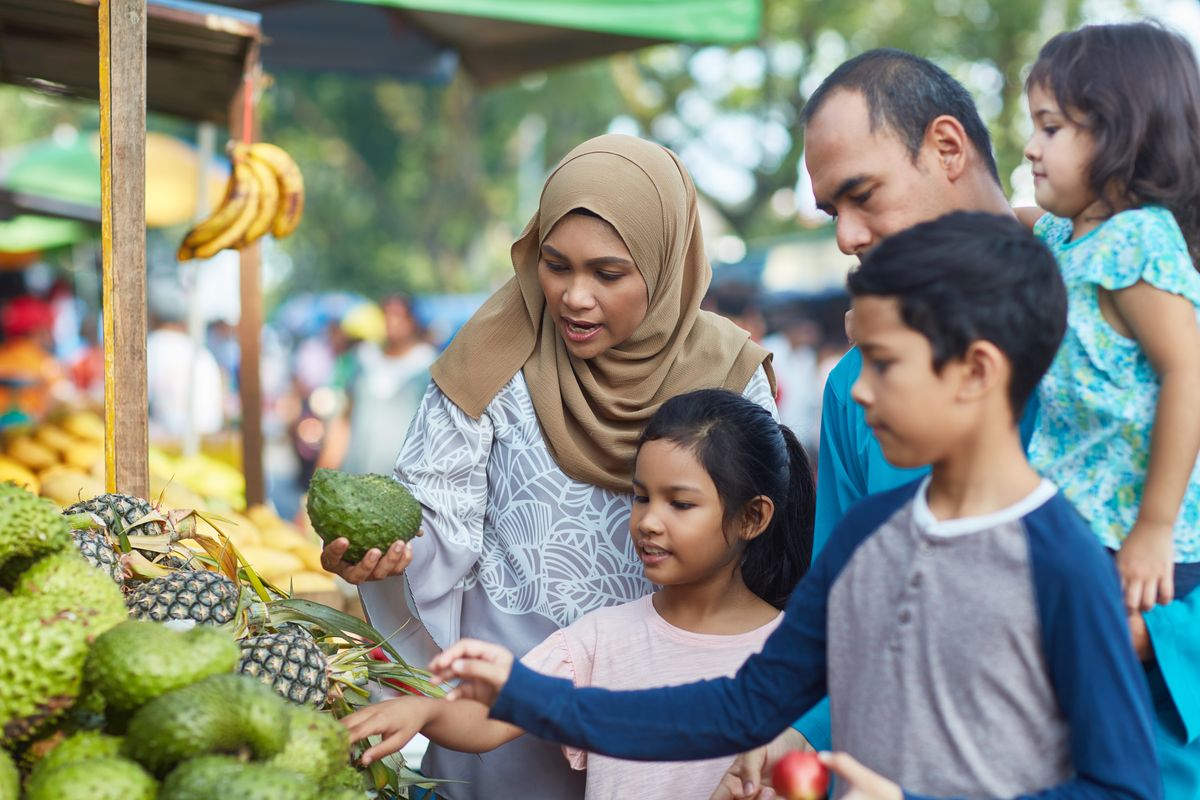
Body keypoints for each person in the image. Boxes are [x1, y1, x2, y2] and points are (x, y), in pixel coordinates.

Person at [427, 213, 1161, 800]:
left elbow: (1121, 785)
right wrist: (531, 696)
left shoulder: (1063, 562)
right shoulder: (870, 536)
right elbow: (739, 708)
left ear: (976, 371)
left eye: (883, 363)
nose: (858, 391)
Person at [318, 134, 777, 800]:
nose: (574, 297)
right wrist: (388, 556)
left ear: (666, 260)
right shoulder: (492, 352)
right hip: (500, 709)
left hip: (681, 720)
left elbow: (765, 549)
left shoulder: (731, 375)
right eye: (556, 265)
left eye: (608, 273)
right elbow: (435, 519)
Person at [343, 389, 813, 800]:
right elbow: (490, 718)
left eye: (681, 503)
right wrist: (422, 710)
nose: (649, 521)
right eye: (642, 496)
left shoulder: (797, 654)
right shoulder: (601, 638)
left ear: (752, 517)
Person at [1019, 23, 1200, 797]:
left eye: (1052, 127)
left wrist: (1155, 528)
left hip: (1138, 546)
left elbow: (1189, 374)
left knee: (1131, 731)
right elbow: (1004, 222)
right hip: (1074, 531)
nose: (1030, 146)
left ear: (1125, 134)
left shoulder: (1139, 244)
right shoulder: (1066, 235)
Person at [319, 295, 436, 475]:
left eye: (399, 316)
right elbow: (343, 422)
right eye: (387, 315)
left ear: (412, 321)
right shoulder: (365, 359)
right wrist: (323, 472)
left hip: (405, 485)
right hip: (356, 479)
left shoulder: (428, 365)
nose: (392, 322)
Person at [145, 278, 223, 441]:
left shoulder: (149, 349)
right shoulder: (201, 353)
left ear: (153, 317)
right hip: (208, 440)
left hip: (168, 443)